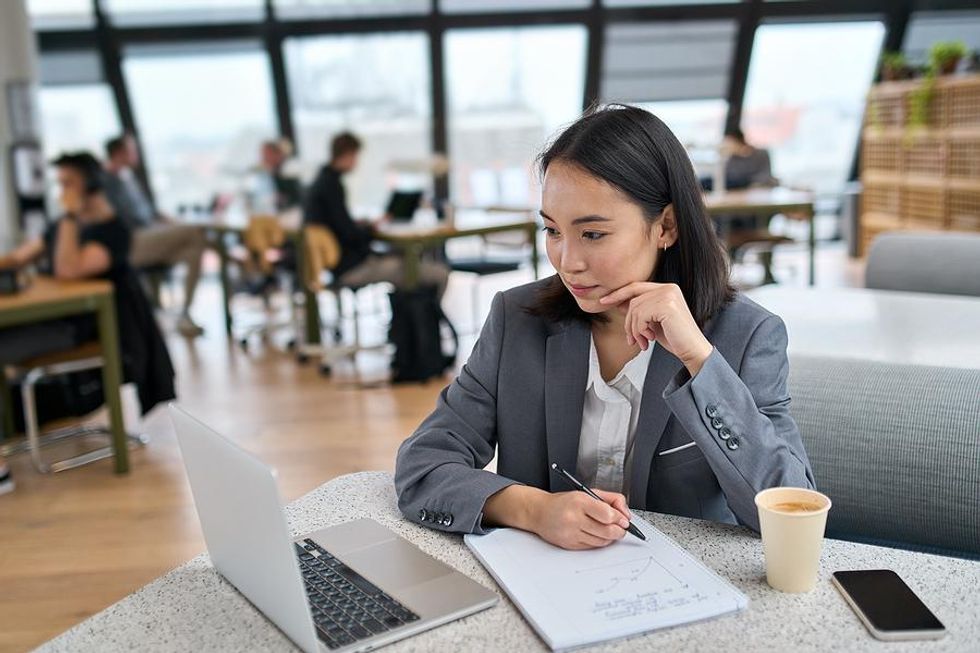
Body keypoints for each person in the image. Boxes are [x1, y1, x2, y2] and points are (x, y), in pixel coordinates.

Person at [394, 105, 814, 550]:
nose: (568, 262)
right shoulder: (516, 320)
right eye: (553, 231)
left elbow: (790, 512)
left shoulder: (746, 336)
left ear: (665, 226)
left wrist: (700, 362)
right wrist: (533, 510)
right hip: (543, 587)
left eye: (592, 234)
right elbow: (422, 466)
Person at [0, 152, 175, 419]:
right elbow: (18, 258)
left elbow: (68, 270)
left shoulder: (112, 231)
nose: (62, 192)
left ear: (92, 184)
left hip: (77, 328)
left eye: (68, 183)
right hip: (46, 319)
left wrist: (69, 215)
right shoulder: (62, 226)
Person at [302, 131, 449, 300]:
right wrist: (370, 228)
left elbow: (338, 225)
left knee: (402, 258)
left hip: (338, 266)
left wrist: (359, 225)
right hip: (350, 267)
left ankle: (407, 322)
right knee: (437, 273)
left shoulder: (320, 183)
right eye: (356, 157)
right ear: (349, 154)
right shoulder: (331, 186)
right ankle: (424, 324)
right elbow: (350, 235)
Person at [103, 134, 207, 337]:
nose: (136, 155)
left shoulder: (128, 177)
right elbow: (128, 220)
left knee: (194, 251)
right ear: (119, 153)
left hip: (150, 235)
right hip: (133, 242)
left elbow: (150, 212)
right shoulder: (107, 181)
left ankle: (185, 315)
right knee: (196, 232)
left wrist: (173, 224)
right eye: (132, 150)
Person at [253, 139, 303, 212]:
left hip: (295, 212)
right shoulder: (269, 173)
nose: (264, 158)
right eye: (263, 155)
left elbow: (296, 197)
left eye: (267, 154)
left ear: (278, 154)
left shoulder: (291, 168)